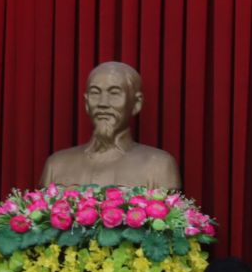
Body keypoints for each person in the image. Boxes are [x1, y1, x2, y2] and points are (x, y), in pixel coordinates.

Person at [40, 61, 181, 189]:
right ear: (86, 103)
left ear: (136, 104)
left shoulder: (159, 166)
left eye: (114, 93)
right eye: (95, 93)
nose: (103, 103)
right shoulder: (56, 165)